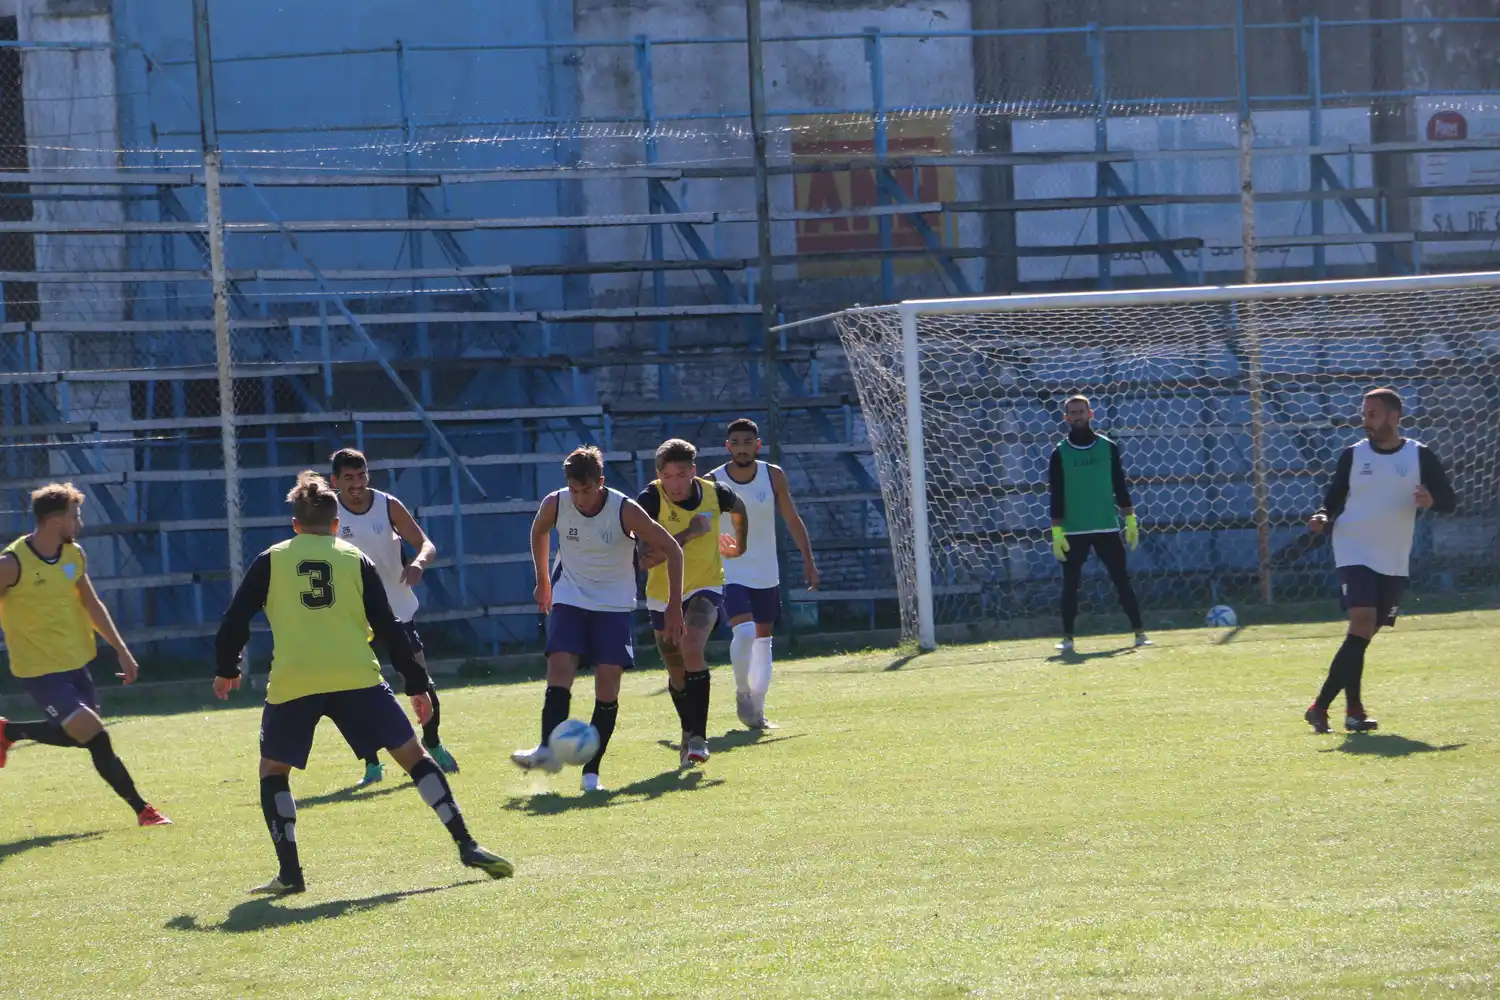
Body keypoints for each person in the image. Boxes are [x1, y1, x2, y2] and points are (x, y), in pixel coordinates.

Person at [213, 472, 513, 895]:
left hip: (295, 679)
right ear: (336, 525)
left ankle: (290, 874)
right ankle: (466, 842)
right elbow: (389, 625)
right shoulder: (355, 558)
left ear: (295, 525)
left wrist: (228, 667)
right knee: (414, 756)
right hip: (356, 675)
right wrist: (417, 682)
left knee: (274, 770)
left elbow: (235, 619)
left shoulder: (271, 559)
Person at [511, 446, 686, 792]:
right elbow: (539, 531)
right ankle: (548, 749)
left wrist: (674, 606)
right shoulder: (555, 503)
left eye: (586, 490)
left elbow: (673, 549)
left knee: (607, 686)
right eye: (574, 490)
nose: (580, 498)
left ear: (600, 482)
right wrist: (543, 581)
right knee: (559, 668)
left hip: (613, 604)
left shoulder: (625, 510)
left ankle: (591, 773)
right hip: (570, 596)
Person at [0, 483, 171, 827]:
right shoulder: (11, 564)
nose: (79, 523)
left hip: (75, 662)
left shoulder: (74, 554)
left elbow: (92, 604)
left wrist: (122, 650)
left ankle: (9, 732)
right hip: (39, 670)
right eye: (75, 516)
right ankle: (143, 810)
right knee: (96, 735)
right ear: (54, 521)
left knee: (79, 736)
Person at [1304, 387, 1456, 734]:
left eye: (1372, 414)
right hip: (1353, 547)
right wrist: (1323, 516)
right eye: (1364, 414)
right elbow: (1333, 498)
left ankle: (1352, 712)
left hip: (1393, 555)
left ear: (1393, 416)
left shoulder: (1419, 455)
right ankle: (1321, 707)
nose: (1365, 420)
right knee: (1362, 622)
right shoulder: (1354, 455)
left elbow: (1449, 500)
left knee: (1362, 635)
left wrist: (1431, 500)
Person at [328, 448, 459, 784]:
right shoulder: (329, 512)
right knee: (353, 691)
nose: (356, 484)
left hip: (397, 610)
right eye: (348, 478)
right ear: (335, 481)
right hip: (354, 617)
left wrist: (418, 563)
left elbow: (425, 543)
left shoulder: (388, 505)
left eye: (361, 475)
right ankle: (372, 763)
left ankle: (434, 744)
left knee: (420, 680)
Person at [636, 438, 749, 765]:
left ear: (693, 471)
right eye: (667, 476)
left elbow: (739, 509)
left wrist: (739, 544)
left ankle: (699, 738)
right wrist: (687, 534)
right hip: (663, 594)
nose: (675, 484)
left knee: (692, 645)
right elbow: (645, 561)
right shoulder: (649, 501)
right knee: (676, 671)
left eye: (682, 475)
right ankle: (688, 731)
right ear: (658, 475)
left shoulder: (716, 493)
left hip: (706, 585)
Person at [710, 417, 819, 729]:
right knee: (744, 632)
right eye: (736, 443)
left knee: (763, 640)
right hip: (730, 569)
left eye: (748, 442)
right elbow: (702, 525)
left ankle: (757, 711)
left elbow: (791, 518)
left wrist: (808, 560)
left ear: (758, 445)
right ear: (727, 447)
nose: (742, 448)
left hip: (765, 569)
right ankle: (742, 693)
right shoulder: (713, 481)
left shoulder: (773, 476)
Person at [1048, 395, 1150, 652]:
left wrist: (1130, 518)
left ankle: (1139, 633)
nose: (1078, 416)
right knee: (1070, 585)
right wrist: (1056, 530)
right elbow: (1056, 493)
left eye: (1081, 411)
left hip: (1106, 526)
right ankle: (1068, 638)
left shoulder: (1108, 447)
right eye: (1073, 412)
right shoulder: (1059, 452)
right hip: (1073, 529)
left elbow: (1119, 484)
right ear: (1066, 418)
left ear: (1091, 414)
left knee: (1121, 580)